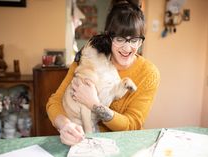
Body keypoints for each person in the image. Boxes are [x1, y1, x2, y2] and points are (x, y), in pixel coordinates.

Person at [46, 0, 160, 146]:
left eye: (134, 40)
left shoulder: (148, 73)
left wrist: (94, 104)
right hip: (85, 141)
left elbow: (132, 125)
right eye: (119, 39)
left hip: (126, 144)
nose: (127, 48)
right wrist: (65, 125)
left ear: (141, 41)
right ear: (108, 37)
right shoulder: (88, 58)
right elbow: (54, 102)